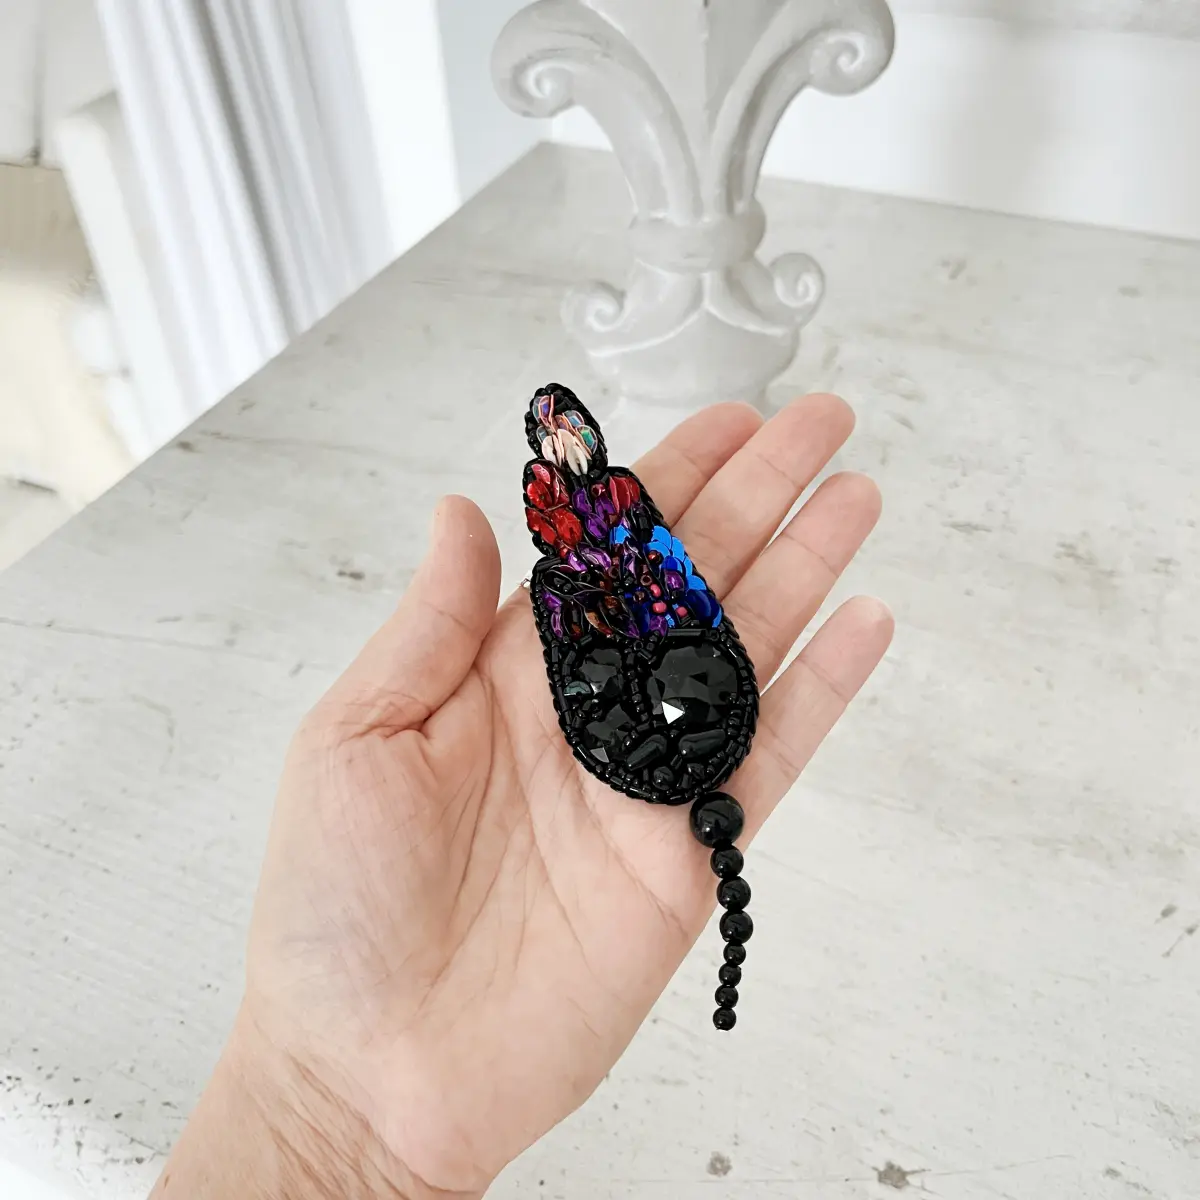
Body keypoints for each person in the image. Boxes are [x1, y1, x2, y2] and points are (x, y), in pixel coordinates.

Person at [150, 393, 892, 1199]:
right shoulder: (574, 546)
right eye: (555, 436)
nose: (565, 441)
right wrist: (319, 1117)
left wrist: (323, 1134)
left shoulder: (627, 519)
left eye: (571, 433)